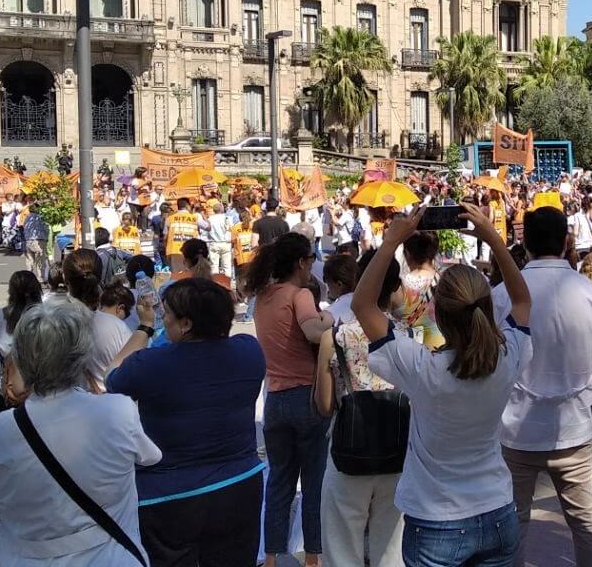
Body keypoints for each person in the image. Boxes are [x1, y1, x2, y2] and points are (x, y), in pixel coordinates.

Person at [356, 203, 531, 567]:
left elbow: (363, 306)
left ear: (440, 314)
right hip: (497, 509)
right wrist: (495, 240)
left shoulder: (423, 369)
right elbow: (523, 301)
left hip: (437, 520)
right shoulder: (508, 356)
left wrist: (390, 243)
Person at [0, 300, 162, 565]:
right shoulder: (118, 411)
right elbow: (150, 456)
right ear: (82, 356)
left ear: (21, 360)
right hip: (110, 557)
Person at [492, 207, 592, 567]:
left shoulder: (501, 295)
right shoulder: (591, 292)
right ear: (567, 241)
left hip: (515, 429)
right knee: (585, 521)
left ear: (524, 242)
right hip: (574, 428)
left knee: (513, 521)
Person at [108, 278, 266, 567]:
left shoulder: (150, 364)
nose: (162, 319)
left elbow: (113, 376)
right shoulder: (249, 351)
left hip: (168, 494)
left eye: (166, 313)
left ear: (186, 324)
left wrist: (144, 327)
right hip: (239, 484)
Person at [242, 233, 333, 567]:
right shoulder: (299, 295)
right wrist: (329, 320)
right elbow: (313, 332)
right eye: (310, 260)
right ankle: (313, 558)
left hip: (275, 401)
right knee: (313, 483)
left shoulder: (262, 297)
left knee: (279, 481)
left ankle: (272, 557)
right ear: (301, 262)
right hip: (307, 398)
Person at [314, 253, 406, 567]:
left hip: (347, 454)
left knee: (341, 549)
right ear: (395, 288)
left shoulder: (335, 338)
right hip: (397, 454)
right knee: (391, 549)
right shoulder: (408, 336)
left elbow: (324, 406)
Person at [62, 248, 133, 392]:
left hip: (62, 409)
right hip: (109, 407)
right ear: (99, 277)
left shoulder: (51, 324)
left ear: (65, 279)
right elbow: (132, 375)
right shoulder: (117, 326)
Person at [0, 270, 43, 414]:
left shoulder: (0, 314)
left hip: (4, 387)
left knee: (1, 433)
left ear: (11, 292)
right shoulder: (46, 315)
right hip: (38, 388)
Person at [399, 231, 442, 349]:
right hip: (442, 349)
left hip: (411, 354)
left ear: (407, 253)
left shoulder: (401, 284)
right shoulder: (447, 281)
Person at [165, 198, 204, 272]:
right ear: (187, 206)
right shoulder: (195, 218)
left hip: (174, 249)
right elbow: (208, 227)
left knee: (177, 275)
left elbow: (165, 237)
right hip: (191, 250)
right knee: (191, 275)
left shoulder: (170, 218)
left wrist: (167, 250)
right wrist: (202, 214)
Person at [207, 200, 234, 279]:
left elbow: (207, 231)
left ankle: (215, 282)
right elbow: (230, 230)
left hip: (214, 243)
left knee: (214, 265)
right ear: (222, 209)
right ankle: (227, 283)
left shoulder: (210, 219)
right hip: (226, 243)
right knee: (227, 266)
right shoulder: (227, 218)